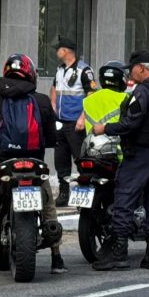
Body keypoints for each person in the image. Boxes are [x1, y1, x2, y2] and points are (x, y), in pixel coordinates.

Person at [0, 54, 66, 277]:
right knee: (48, 207)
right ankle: (57, 257)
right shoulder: (41, 101)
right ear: (31, 74)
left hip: (1, 165)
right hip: (35, 165)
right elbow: (51, 137)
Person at [91, 50, 149, 269]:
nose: (130, 75)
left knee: (124, 198)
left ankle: (119, 252)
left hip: (139, 154)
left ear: (141, 68)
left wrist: (104, 128)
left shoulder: (143, 91)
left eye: (131, 70)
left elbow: (130, 123)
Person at [50, 38, 98, 207]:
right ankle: (64, 192)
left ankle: (83, 192)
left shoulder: (84, 70)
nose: (56, 52)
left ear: (67, 51)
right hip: (60, 122)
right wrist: (53, 104)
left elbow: (91, 96)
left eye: (59, 49)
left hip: (75, 123)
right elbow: (55, 87)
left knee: (80, 159)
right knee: (61, 160)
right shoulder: (60, 69)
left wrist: (82, 118)